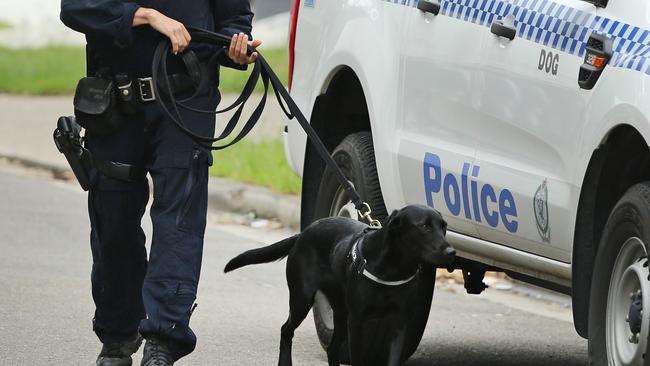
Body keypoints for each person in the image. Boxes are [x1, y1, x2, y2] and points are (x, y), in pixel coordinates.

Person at [59, 1, 262, 365]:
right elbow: (75, 8)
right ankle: (119, 336)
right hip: (115, 102)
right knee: (114, 220)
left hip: (186, 98)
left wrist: (237, 46)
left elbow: (234, 18)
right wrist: (150, 16)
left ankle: (163, 340)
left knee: (178, 220)